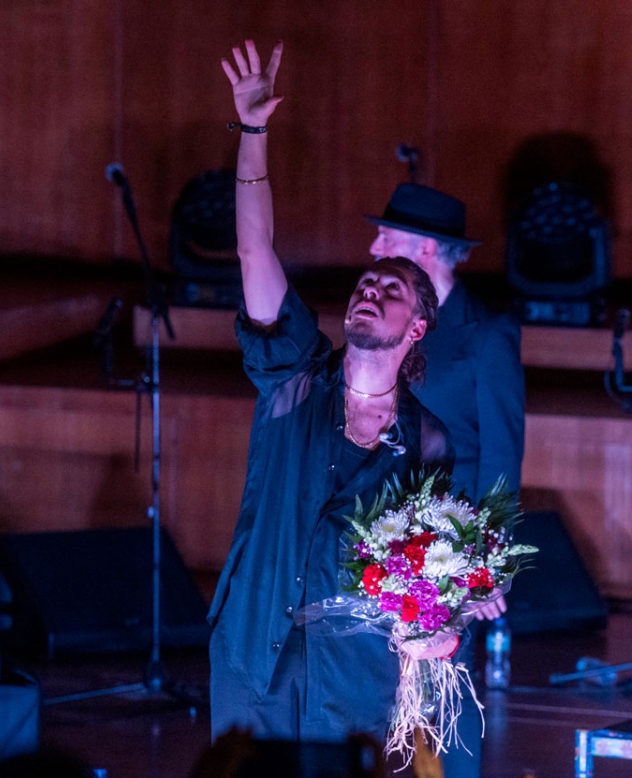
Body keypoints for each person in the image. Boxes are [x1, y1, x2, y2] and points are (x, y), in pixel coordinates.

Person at [208, 40, 454, 742]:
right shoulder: (294, 377)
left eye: (392, 290)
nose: (371, 289)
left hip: (353, 674)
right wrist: (252, 132)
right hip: (255, 650)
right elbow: (256, 250)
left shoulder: (427, 439)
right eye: (367, 282)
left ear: (418, 327)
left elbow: (430, 562)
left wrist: (443, 623)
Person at [368, 184, 525, 775]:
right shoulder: (387, 319)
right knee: (373, 688)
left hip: (448, 547)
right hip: (377, 529)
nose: (374, 245)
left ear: (428, 250)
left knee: (446, 697)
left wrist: (487, 566)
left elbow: (504, 454)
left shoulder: (486, 334)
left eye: (390, 237)